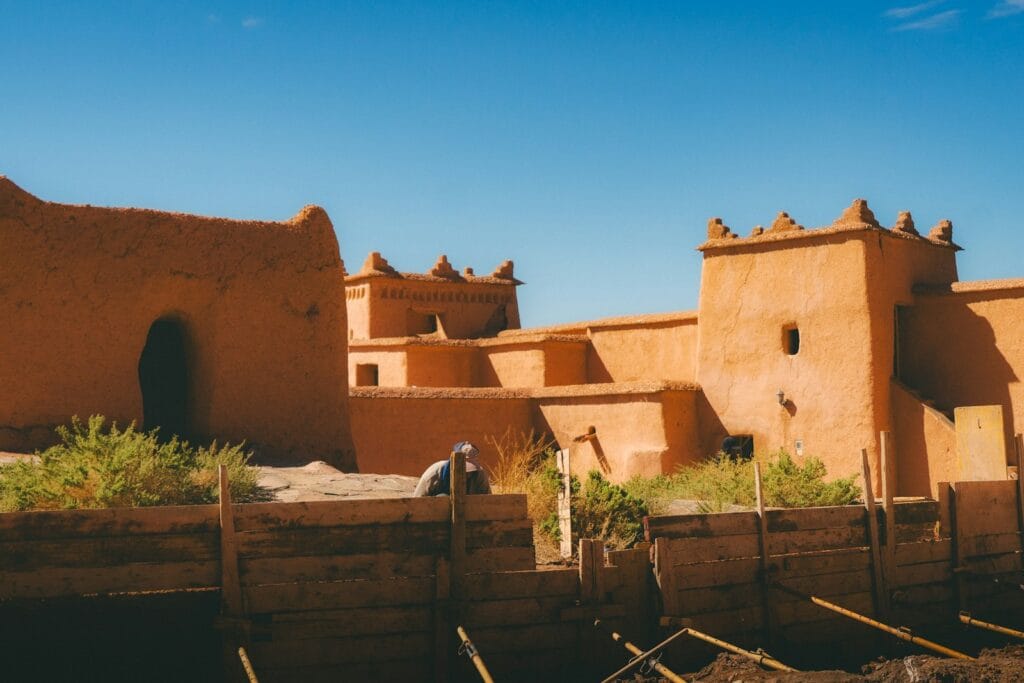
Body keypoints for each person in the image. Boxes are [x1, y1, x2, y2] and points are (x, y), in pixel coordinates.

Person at [413, 441, 491, 496]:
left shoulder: (479, 474)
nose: (468, 474)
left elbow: (488, 503)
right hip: (435, 514)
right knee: (442, 497)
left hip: (469, 513)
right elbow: (416, 503)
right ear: (453, 462)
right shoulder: (434, 474)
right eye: (464, 470)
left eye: (471, 470)